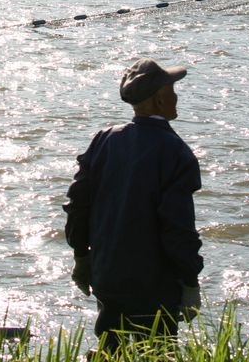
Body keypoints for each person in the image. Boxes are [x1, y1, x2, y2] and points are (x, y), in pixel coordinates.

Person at [64, 59, 203, 354]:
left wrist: (81, 256)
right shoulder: (176, 152)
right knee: (157, 351)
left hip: (108, 275)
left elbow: (78, 204)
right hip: (154, 283)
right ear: (160, 98)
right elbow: (178, 227)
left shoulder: (105, 140)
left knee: (110, 349)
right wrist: (190, 281)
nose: (176, 97)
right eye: (173, 90)